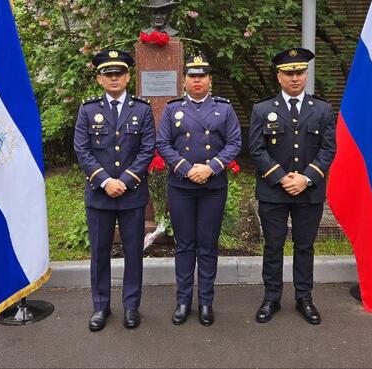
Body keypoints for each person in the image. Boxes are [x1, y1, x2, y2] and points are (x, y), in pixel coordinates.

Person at [248, 47, 336, 326]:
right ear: (279, 77)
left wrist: (306, 178)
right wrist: (282, 178)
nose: (295, 78)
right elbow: (256, 149)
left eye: (299, 72)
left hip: (308, 191)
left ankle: (304, 298)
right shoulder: (263, 109)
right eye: (289, 73)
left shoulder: (322, 109)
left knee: (305, 246)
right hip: (274, 191)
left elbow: (328, 149)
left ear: (307, 75)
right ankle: (271, 297)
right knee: (273, 246)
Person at [156, 54, 242, 326]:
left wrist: (211, 167)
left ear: (210, 80)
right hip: (181, 186)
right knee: (184, 246)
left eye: (202, 76)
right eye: (192, 76)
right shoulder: (172, 109)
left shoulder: (224, 109)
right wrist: (185, 168)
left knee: (207, 245)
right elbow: (163, 143)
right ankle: (183, 301)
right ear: (184, 81)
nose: (197, 80)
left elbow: (234, 142)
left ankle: (206, 301)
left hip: (212, 187)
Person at [73, 49, 155, 331]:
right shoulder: (88, 110)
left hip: (132, 195)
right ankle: (101, 306)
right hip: (100, 195)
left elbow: (147, 149)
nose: (114, 78)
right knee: (99, 253)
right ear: (100, 79)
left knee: (133, 253)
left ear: (128, 77)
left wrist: (126, 180)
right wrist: (106, 181)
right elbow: (82, 150)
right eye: (108, 74)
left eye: (119, 73)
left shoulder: (142, 110)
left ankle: (131, 307)